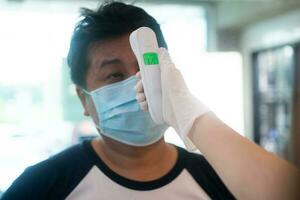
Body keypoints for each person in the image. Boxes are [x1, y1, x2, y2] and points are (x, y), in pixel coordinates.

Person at [2, 1, 299, 200]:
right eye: (115, 75)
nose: (138, 84)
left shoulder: (222, 178)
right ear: (84, 98)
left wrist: (191, 116)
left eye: (147, 69)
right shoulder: (44, 185)